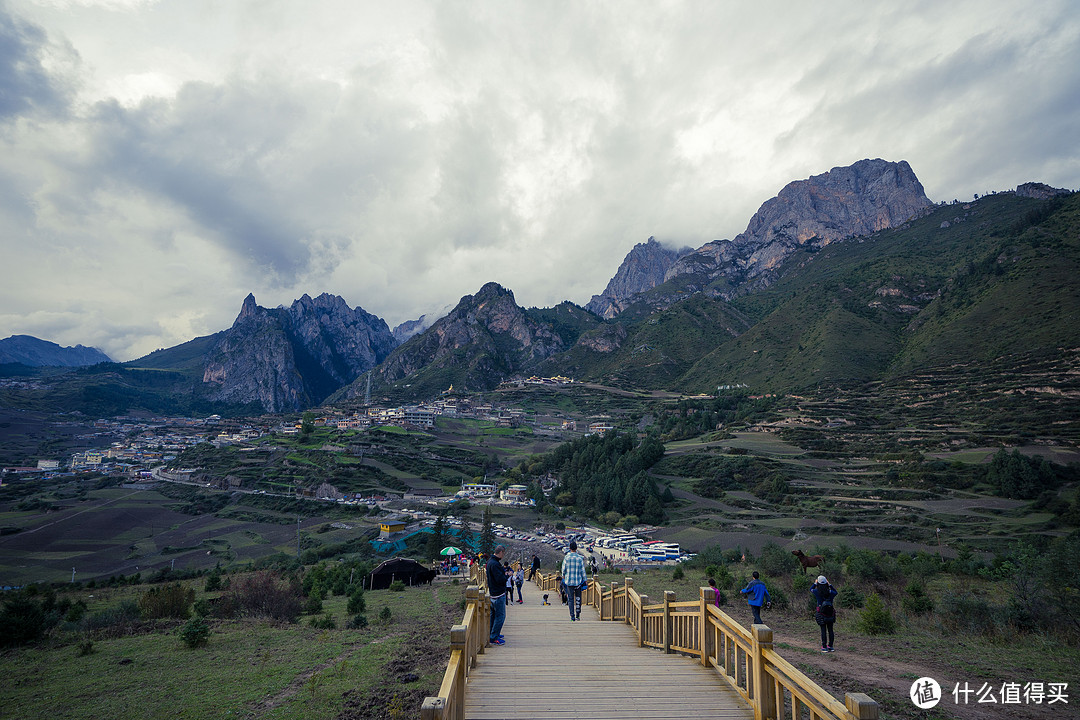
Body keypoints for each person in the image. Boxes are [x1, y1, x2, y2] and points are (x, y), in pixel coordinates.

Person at [561, 540, 588, 621]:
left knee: (571, 599)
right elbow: (582, 571)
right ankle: (578, 615)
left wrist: (563, 576)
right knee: (578, 598)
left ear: (569, 548)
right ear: (576, 548)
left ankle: (572, 617)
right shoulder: (579, 558)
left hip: (569, 582)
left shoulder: (566, 558)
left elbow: (563, 570)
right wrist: (585, 580)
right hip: (578, 582)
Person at [486, 545, 507, 645]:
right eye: (503, 553)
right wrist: (507, 575)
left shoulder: (490, 562)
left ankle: (493, 634)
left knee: (493, 616)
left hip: (492, 593)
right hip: (498, 594)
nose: (503, 556)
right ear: (501, 552)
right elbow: (500, 580)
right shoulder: (495, 564)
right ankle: (494, 638)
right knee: (500, 616)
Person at [811, 575, 838, 652]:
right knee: (830, 630)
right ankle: (831, 646)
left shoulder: (817, 592)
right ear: (826, 583)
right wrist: (830, 585)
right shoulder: (830, 592)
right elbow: (836, 592)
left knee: (823, 630)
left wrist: (815, 583)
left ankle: (824, 647)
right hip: (830, 613)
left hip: (821, 613)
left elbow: (811, 589)